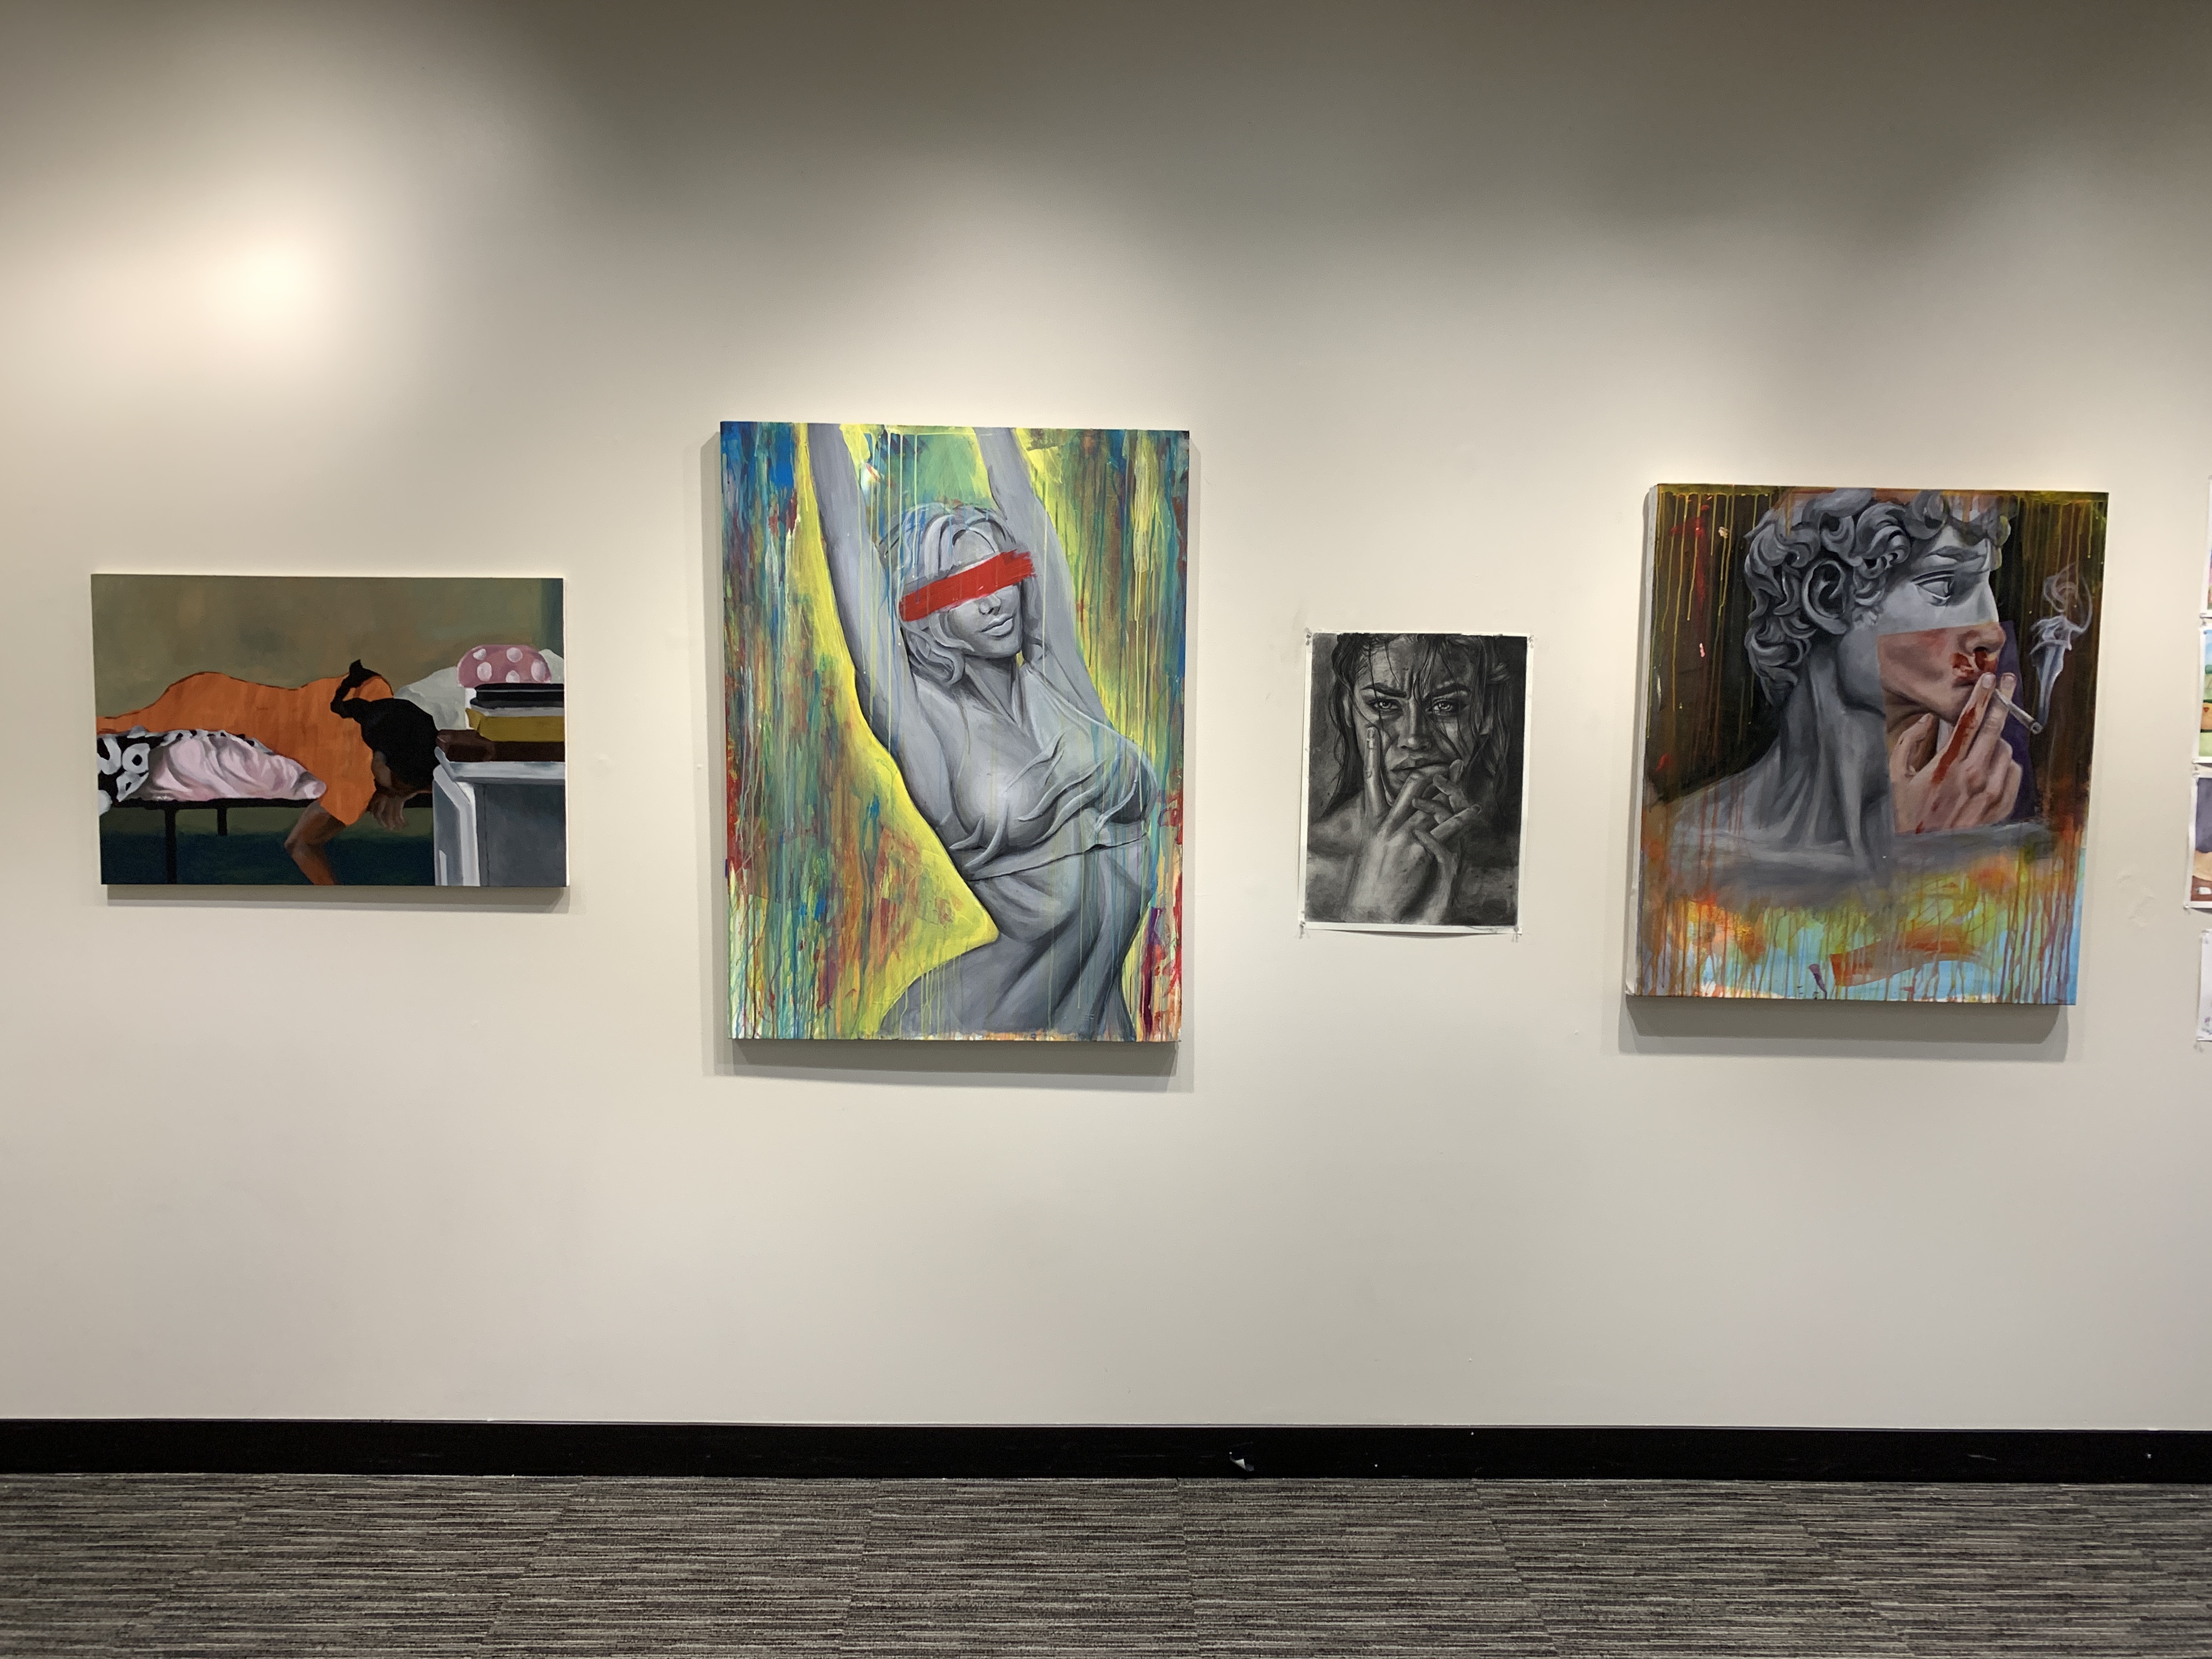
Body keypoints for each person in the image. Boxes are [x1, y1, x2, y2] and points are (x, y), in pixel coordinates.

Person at [808, 424, 1160, 1037]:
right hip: (973, 1028)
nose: (995, 600)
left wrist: (992, 416)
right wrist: (817, 418)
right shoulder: (927, 727)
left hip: (1103, 1035)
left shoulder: (1057, 677)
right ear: (924, 615)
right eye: (964, 590)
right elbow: (847, 544)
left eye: (1001, 574)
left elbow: (1019, 496)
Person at [1663, 488, 2026, 895]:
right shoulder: (1682, 853)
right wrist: (1927, 859)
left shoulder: (2004, 835)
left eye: (1987, 587)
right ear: (1828, 596)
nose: (1993, 631)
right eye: (1944, 585)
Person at [1302, 633, 1522, 926]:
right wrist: (1368, 912)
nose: (1414, 738)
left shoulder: (1521, 872)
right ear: (1348, 709)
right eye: (1384, 705)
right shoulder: (1306, 867)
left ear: (1487, 714)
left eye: (1446, 706)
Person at [280, 661, 443, 884]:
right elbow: (300, 845)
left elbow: (424, 773)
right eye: (398, 784)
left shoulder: (378, 699)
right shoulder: (355, 780)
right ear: (377, 760)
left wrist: (398, 792)